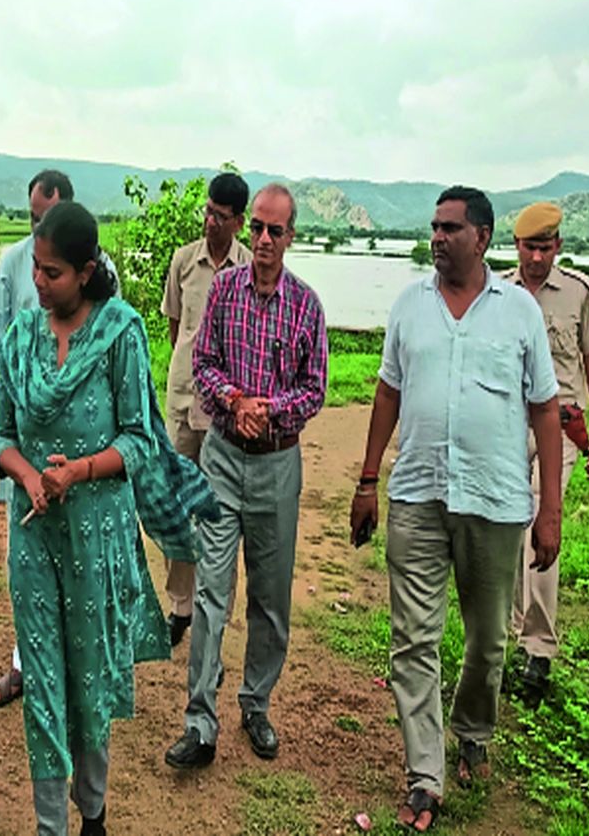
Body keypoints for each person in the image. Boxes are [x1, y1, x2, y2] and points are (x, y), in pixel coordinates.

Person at [0, 201, 212, 835]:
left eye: (53, 272)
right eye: (36, 268)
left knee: (88, 682)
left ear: (86, 272)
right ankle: (50, 826)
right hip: (33, 535)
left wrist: (79, 471)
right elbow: (3, 434)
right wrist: (29, 477)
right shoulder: (21, 337)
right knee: (41, 680)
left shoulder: (121, 332)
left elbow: (140, 439)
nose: (39, 282)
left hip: (97, 536)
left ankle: (92, 812)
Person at [348, 186, 562, 832]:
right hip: (417, 494)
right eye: (434, 227)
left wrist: (550, 509)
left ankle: (472, 729)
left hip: (495, 502)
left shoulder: (518, 313)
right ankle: (425, 775)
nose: (437, 237)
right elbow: (388, 392)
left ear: (483, 238)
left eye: (450, 228)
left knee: (488, 641)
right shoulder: (409, 305)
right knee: (413, 640)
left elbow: (545, 408)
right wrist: (367, 479)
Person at [165, 183, 328, 770]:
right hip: (223, 458)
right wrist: (236, 402)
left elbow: (315, 389)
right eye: (256, 227)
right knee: (211, 591)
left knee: (270, 595)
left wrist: (269, 410)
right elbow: (203, 362)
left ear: (290, 237)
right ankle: (199, 721)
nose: (262, 238)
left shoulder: (306, 305)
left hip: (277, 465)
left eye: (273, 230)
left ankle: (256, 703)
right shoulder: (224, 290)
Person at [0, 169, 71, 709]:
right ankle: (26, 662)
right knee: (25, 556)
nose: (39, 229)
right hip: (23, 432)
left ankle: (72, 665)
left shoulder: (98, 269)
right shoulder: (13, 263)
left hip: (79, 441)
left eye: (49, 219)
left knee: (76, 554)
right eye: (33, 218)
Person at [505, 201, 589, 708]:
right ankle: (509, 635)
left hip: (561, 429)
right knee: (506, 527)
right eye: (529, 247)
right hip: (508, 426)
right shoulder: (497, 292)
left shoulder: (578, 293)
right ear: (516, 247)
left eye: (545, 248)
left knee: (542, 528)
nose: (536, 257)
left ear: (558, 247)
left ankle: (539, 650)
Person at [160, 171, 252, 647]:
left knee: (219, 512)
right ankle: (180, 605)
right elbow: (176, 329)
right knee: (177, 505)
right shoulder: (183, 261)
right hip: (182, 400)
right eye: (208, 211)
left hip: (224, 410)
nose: (210, 221)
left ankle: (212, 612)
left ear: (238, 221)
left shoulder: (250, 267)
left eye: (220, 215)